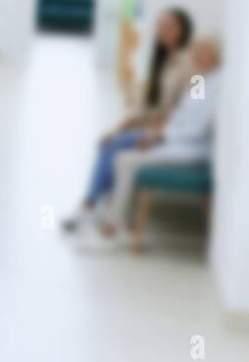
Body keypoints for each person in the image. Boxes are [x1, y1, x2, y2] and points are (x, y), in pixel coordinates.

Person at [76, 35, 221, 249]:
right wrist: (156, 135)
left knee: (124, 160)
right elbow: (183, 117)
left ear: (216, 55)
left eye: (204, 52)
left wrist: (159, 137)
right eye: (196, 52)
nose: (198, 56)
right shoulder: (201, 80)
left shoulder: (217, 84)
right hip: (175, 140)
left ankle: (111, 222)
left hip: (191, 150)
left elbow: (197, 129)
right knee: (121, 153)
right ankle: (111, 216)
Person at [62, 7, 194, 233]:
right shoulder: (159, 60)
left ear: (183, 31)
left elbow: (190, 110)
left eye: (170, 26)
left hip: (168, 133)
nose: (163, 30)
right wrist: (119, 127)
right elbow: (145, 107)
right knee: (110, 141)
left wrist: (158, 131)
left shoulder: (191, 67)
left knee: (114, 146)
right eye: (161, 25)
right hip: (149, 126)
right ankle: (93, 204)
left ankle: (89, 204)